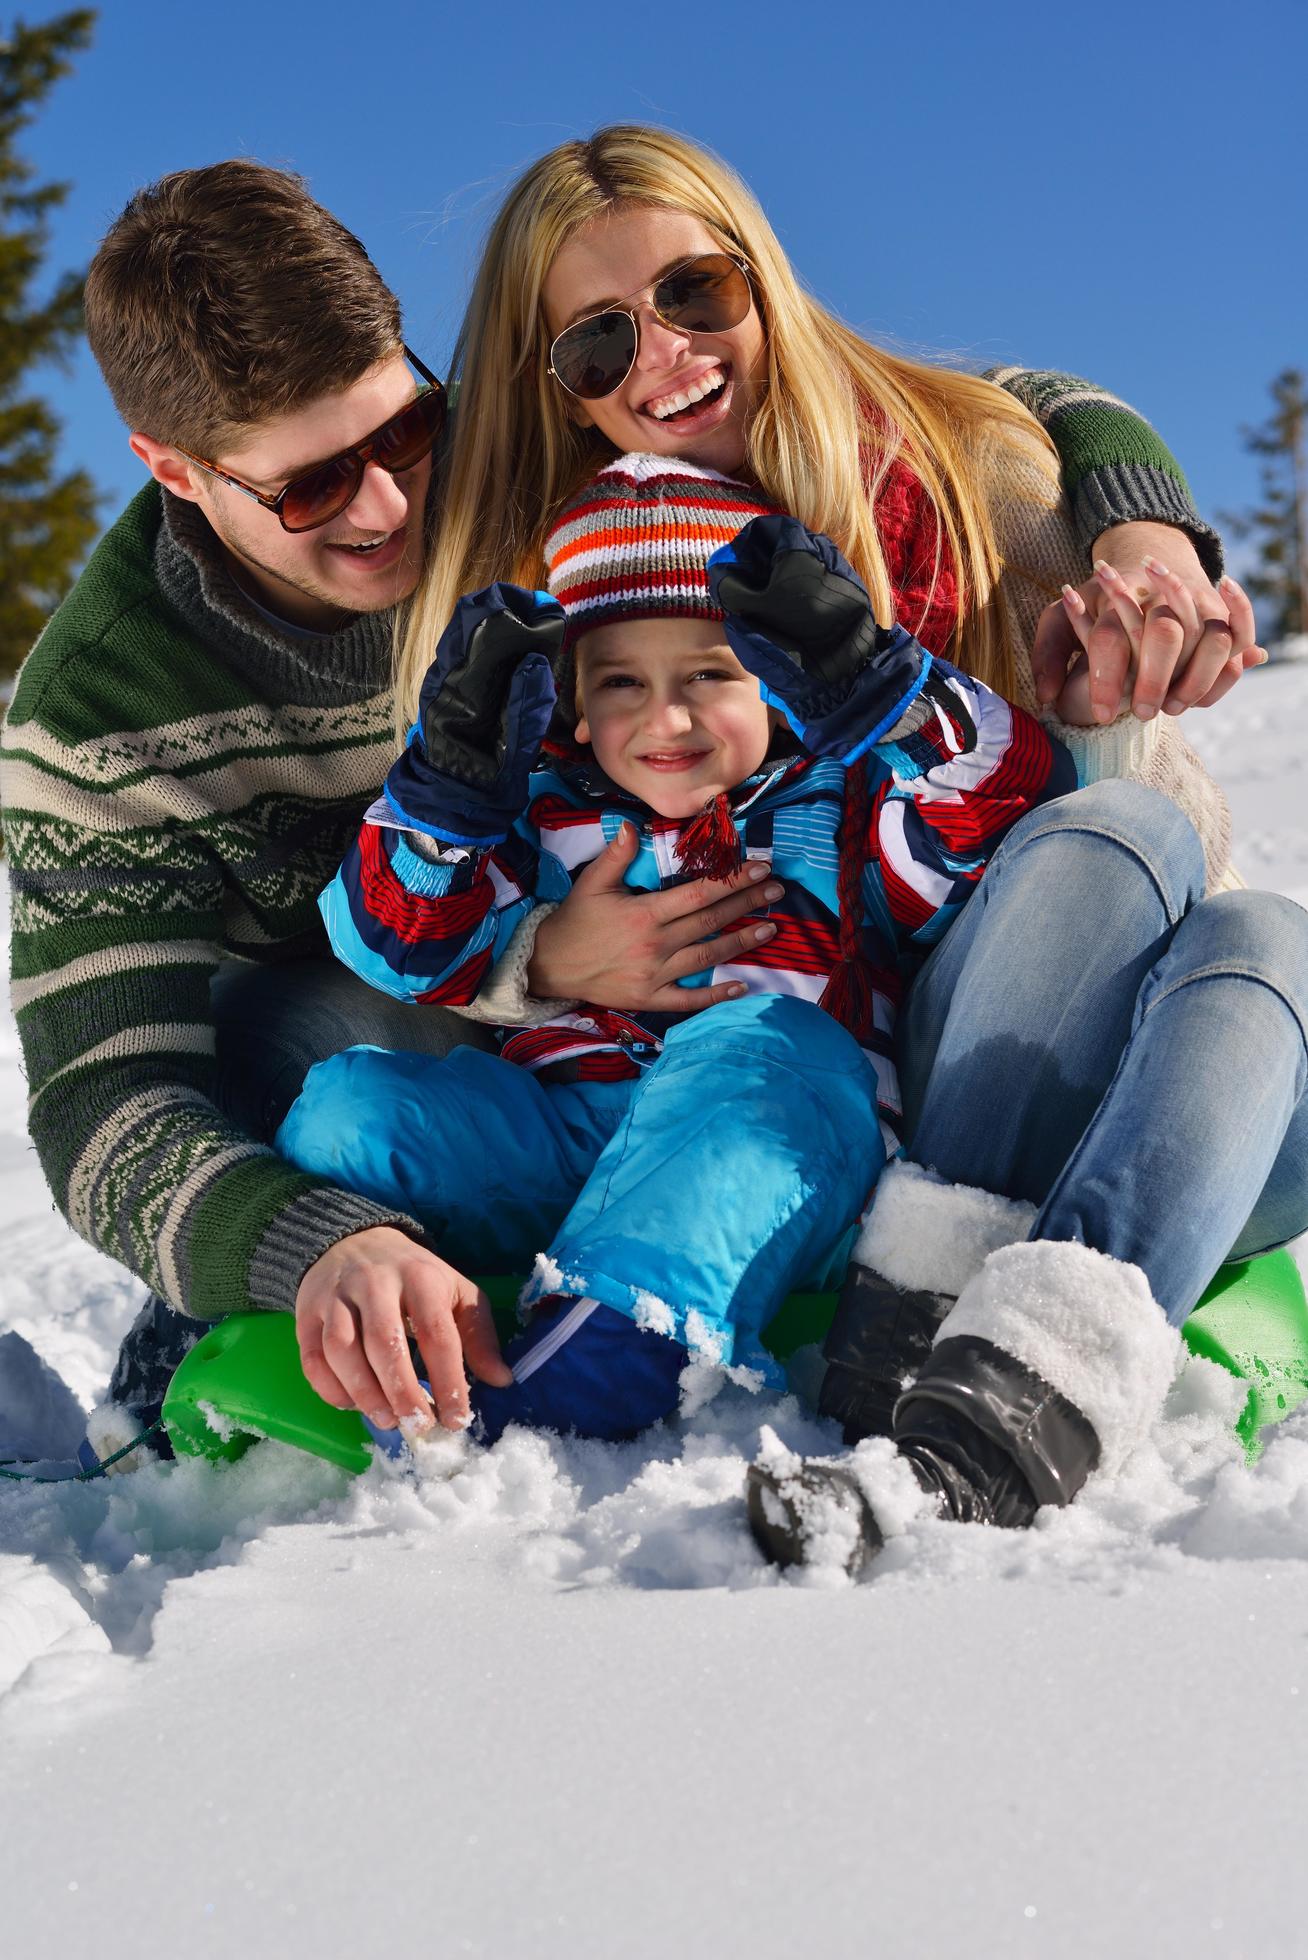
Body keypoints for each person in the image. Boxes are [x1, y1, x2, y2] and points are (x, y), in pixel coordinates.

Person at [0, 146, 1254, 1453]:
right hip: (434, 1011)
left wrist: (1134, 545)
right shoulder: (100, 720)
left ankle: (629, 1307)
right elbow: (106, 1100)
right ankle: (254, 1315)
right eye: (312, 484)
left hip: (765, 1040)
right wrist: (304, 1238)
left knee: (765, 1063)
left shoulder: (544, 433)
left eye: (405, 430)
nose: (388, 502)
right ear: (175, 470)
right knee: (305, 1046)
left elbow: (1019, 408)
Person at [275, 455, 1076, 1441]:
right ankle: (415, 1302)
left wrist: (886, 697)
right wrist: (450, 792)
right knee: (350, 1109)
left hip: (778, 1157)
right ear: (571, 698)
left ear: (779, 684)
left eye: (710, 674)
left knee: (771, 1039)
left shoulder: (840, 805)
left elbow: (998, 809)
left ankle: (615, 1351)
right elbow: (399, 948)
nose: (667, 716)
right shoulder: (536, 815)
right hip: (573, 1141)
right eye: (622, 682)